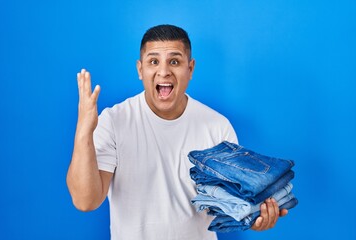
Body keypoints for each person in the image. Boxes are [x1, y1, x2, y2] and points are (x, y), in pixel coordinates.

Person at [66, 24, 288, 240]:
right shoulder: (114, 120)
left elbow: (233, 206)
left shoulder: (217, 126)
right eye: (153, 61)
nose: (164, 71)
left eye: (174, 61)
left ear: (190, 69)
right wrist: (84, 132)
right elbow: (86, 201)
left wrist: (254, 218)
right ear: (140, 69)